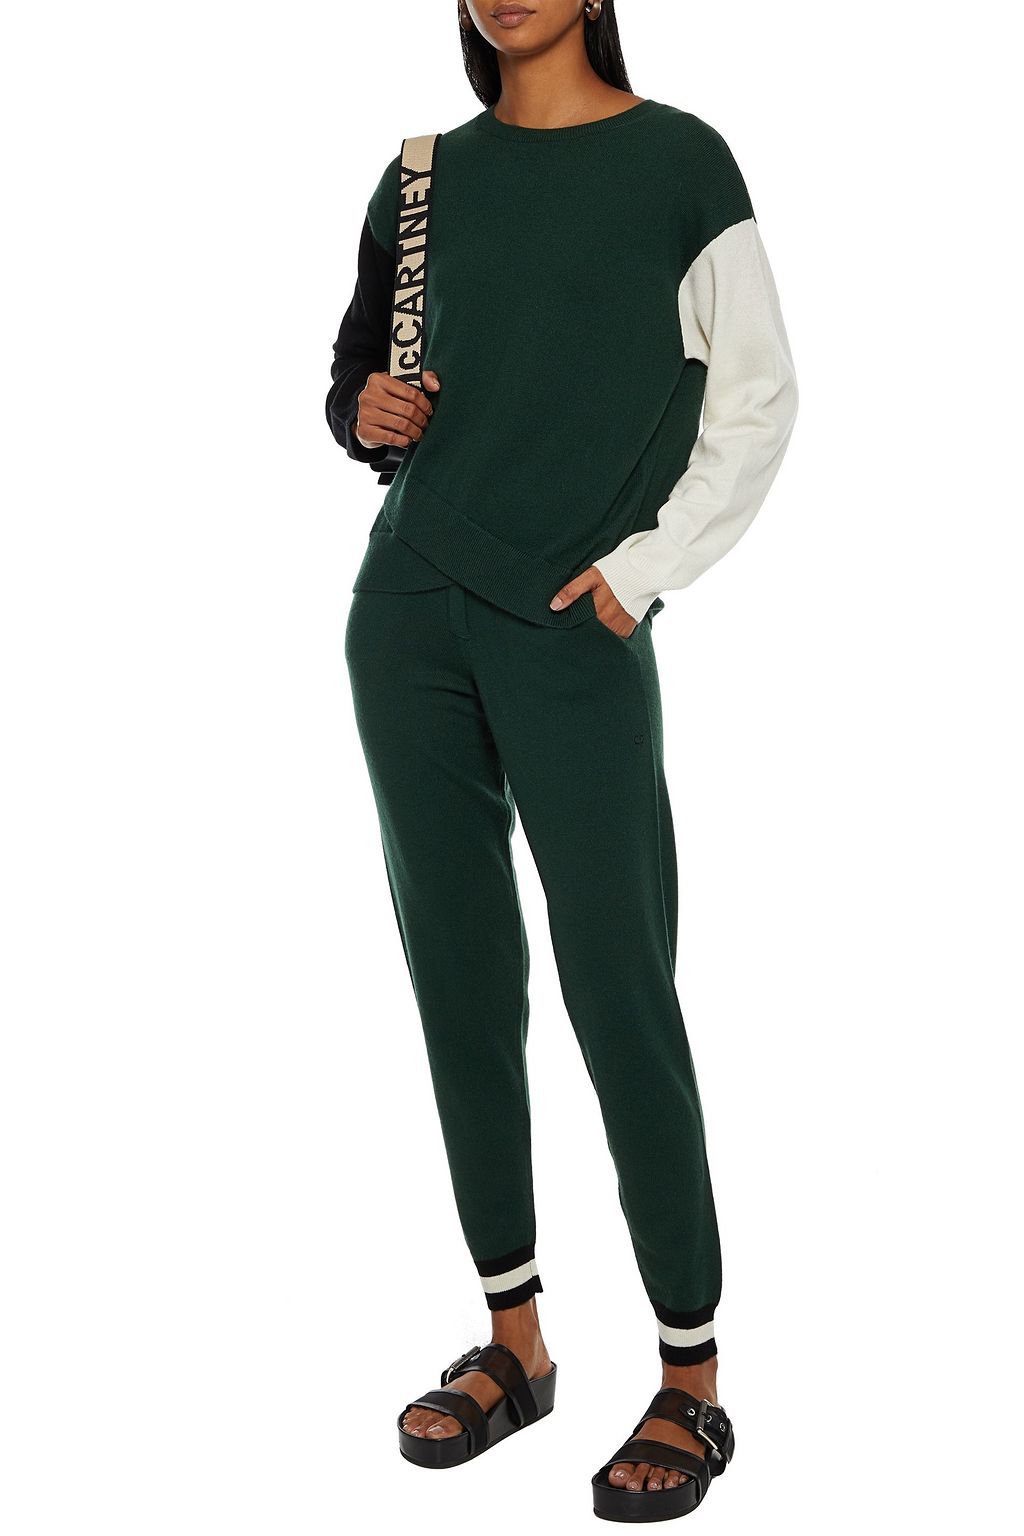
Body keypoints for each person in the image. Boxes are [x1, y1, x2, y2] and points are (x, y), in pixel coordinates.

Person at [325, 0, 797, 1520]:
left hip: (575, 619)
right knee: (459, 976)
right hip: (407, 611)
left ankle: (691, 1375)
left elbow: (759, 399)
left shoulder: (680, 163)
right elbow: (361, 383)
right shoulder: (421, 176)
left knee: (618, 977)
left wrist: (644, 573)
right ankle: (515, 1341)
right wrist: (363, 410)